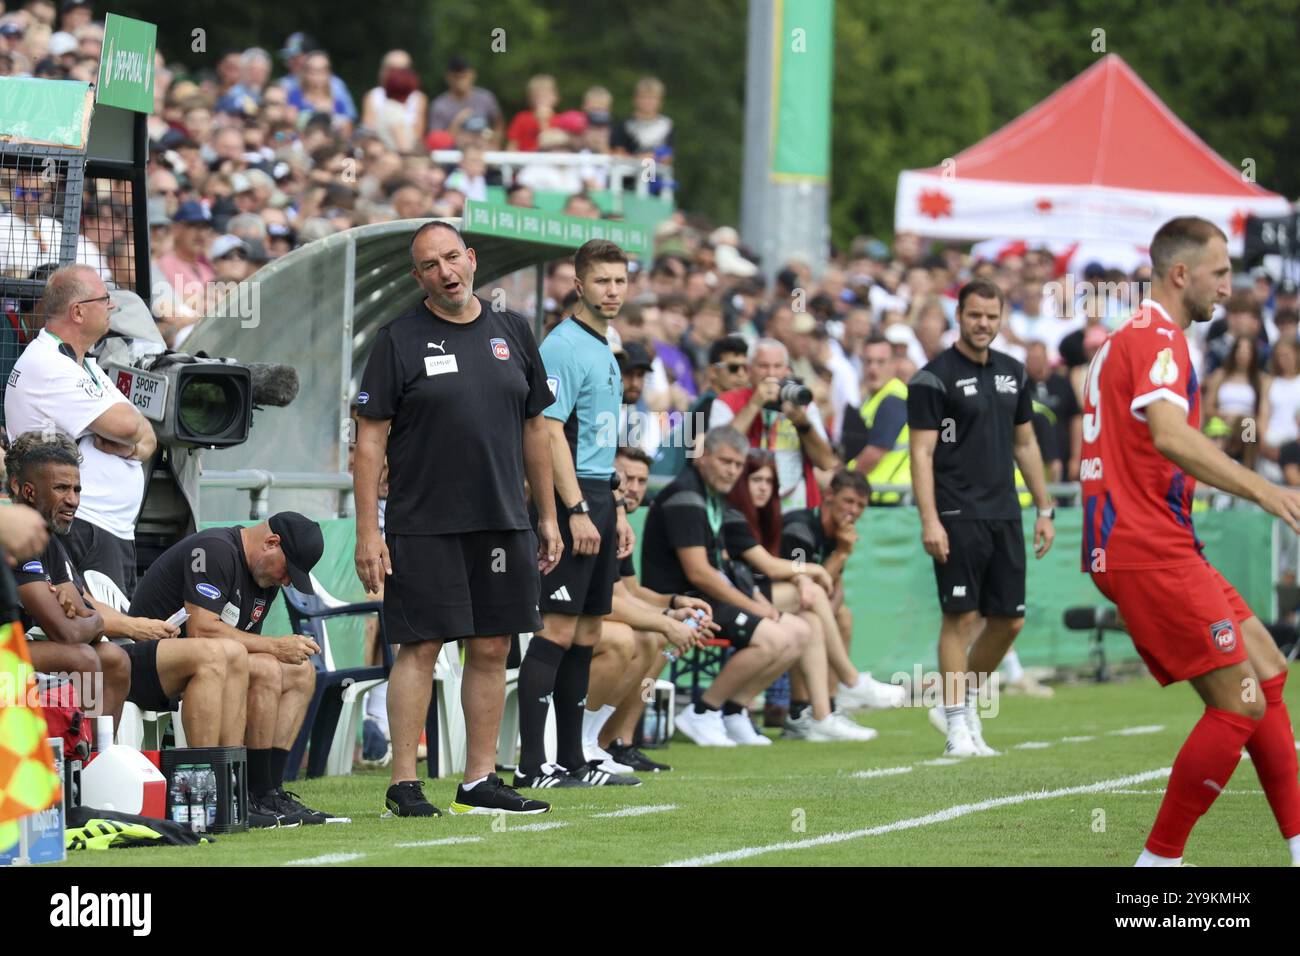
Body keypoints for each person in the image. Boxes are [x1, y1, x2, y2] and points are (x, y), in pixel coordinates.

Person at [1080, 217, 1300, 867]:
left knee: (1266, 669)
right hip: (1146, 546)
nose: (1229, 288)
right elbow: (1169, 436)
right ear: (1182, 274)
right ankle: (1159, 865)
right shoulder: (1159, 340)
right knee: (1240, 703)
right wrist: (1268, 493)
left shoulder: (1134, 338)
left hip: (1154, 541)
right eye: (1222, 272)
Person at [354, 221, 560, 817]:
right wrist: (370, 530)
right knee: (420, 647)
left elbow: (536, 429)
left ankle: (479, 780)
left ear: (471, 260)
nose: (445, 271)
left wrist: (546, 515)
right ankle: (403, 783)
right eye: (430, 265)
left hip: (502, 520)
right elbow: (369, 443)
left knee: (492, 647)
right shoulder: (397, 339)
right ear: (417, 277)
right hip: (424, 522)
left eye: (452, 257)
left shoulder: (514, 331)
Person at [8, 431, 249, 753]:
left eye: (77, 489)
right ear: (25, 490)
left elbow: (80, 613)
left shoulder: (51, 540)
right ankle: (77, 759)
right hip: (9, 650)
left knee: (113, 657)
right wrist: (93, 620)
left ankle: (99, 759)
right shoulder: (15, 537)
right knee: (81, 656)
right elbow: (67, 631)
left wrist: (87, 618)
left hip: (23, 645)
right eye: (61, 488)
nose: (73, 500)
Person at [908, 277, 1055, 757]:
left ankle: (960, 700)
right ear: (960, 315)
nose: (983, 324)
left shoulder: (1014, 371)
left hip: (1005, 513)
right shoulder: (933, 378)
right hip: (956, 513)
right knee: (960, 617)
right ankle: (957, 728)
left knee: (1009, 621)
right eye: (975, 315)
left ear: (1001, 318)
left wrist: (1044, 507)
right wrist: (930, 519)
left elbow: (1026, 444)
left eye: (992, 317)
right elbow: (921, 453)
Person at [513, 239, 639, 789]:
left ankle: (573, 760)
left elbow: (594, 438)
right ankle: (531, 764)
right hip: (575, 502)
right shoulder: (562, 345)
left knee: (588, 631)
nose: (613, 291)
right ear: (580, 283)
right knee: (558, 630)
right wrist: (576, 509)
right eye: (603, 281)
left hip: (600, 495)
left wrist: (614, 500)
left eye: (620, 281)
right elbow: (549, 430)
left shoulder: (606, 342)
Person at [129, 511, 334, 828]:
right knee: (267, 666)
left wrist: (275, 650)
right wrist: (276, 645)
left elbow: (242, 643)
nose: (287, 580)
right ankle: (225, 790)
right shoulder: (216, 549)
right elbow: (202, 630)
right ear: (271, 542)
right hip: (147, 663)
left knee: (300, 672)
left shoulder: (264, 574)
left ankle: (266, 791)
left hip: (210, 662)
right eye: (288, 569)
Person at [640, 426, 810, 747]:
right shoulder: (686, 496)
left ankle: (732, 712)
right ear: (702, 458)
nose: (732, 470)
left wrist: (758, 599)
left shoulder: (712, 498)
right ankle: (703, 711)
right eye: (725, 461)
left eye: (737, 464)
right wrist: (753, 607)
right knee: (773, 638)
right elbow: (700, 573)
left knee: (799, 632)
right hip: (685, 603)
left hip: (708, 597)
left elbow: (726, 569)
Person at [4, 266, 157, 596]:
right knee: (104, 639)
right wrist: (133, 434)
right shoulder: (48, 363)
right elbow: (130, 424)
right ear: (78, 311)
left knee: (117, 638)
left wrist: (134, 439)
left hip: (105, 529)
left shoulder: (83, 362)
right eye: (104, 299)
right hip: (81, 526)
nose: (112, 306)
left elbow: (147, 435)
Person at [723, 452, 882, 741]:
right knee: (811, 611)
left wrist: (828, 578)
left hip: (769, 597)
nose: (853, 511)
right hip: (742, 600)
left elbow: (833, 587)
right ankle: (848, 682)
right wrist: (838, 556)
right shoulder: (798, 527)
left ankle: (822, 713)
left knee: (828, 617)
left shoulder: (831, 530)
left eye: (860, 505)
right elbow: (799, 580)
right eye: (848, 501)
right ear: (829, 496)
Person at [581, 445, 711, 772]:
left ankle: (617, 741)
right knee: (639, 639)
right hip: (554, 623)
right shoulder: (595, 515)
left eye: (642, 480)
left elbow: (629, 591)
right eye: (626, 478)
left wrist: (673, 607)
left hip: (586, 618)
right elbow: (607, 602)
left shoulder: (618, 521)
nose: (633, 488)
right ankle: (584, 743)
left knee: (656, 641)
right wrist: (665, 622)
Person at [709, 338, 838, 513]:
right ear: (749, 370)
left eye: (777, 367)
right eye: (763, 366)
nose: (771, 374)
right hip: (740, 505)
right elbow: (719, 450)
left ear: (787, 370)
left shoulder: (803, 404)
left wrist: (802, 423)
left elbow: (826, 462)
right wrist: (754, 405)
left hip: (793, 508)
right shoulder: (726, 402)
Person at [842, 333, 910, 504]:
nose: (873, 368)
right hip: (873, 494)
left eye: (880, 362)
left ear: (894, 365)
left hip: (887, 499)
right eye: (868, 361)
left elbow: (874, 454)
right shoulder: (874, 398)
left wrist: (843, 481)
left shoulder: (893, 399)